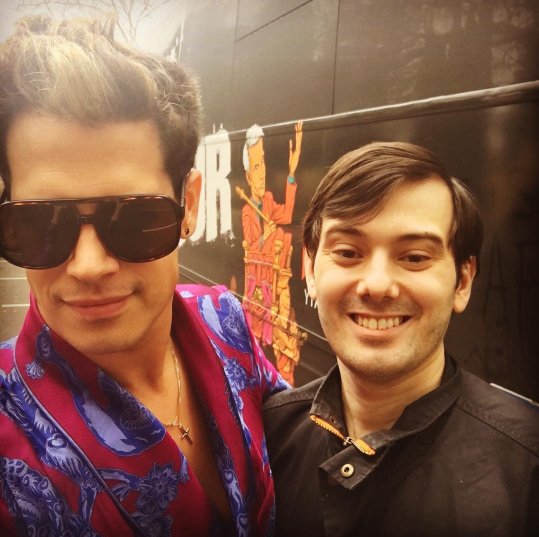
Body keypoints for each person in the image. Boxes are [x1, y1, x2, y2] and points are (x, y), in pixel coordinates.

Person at [0, 15, 287, 537]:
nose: (89, 266)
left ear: (189, 204)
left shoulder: (222, 319)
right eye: (41, 223)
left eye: (134, 218)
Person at [263, 142, 539, 536]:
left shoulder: (526, 471)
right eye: (348, 252)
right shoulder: (265, 439)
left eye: (414, 257)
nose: (377, 285)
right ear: (309, 269)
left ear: (462, 282)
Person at [238, 122, 301, 350]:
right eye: (256, 167)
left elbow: (287, 215)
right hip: (257, 278)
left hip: (272, 275)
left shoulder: (268, 201)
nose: (262, 173)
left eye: (263, 163)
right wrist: (266, 236)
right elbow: (251, 246)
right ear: (248, 176)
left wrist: (291, 175)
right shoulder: (247, 211)